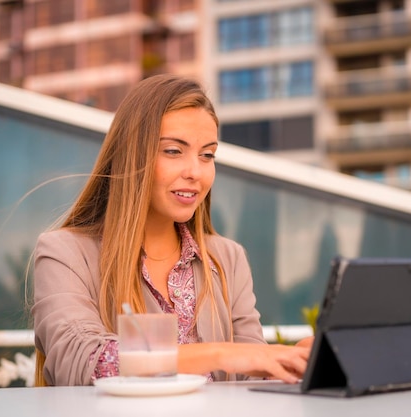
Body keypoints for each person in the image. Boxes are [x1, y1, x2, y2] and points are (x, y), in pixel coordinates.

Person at [31, 74, 313, 386]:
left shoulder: (227, 258)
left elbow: (249, 375)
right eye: (173, 151)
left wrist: (294, 361)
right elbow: (84, 363)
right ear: (132, 155)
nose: (195, 172)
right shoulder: (63, 253)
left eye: (207, 155)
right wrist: (220, 354)